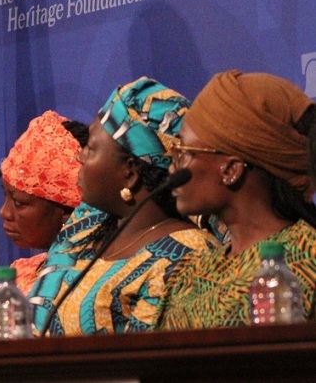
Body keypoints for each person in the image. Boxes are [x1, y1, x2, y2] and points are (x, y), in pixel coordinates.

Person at [27, 77, 219, 336]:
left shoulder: (187, 256)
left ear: (130, 172)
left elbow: (145, 356)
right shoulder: (87, 226)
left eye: (91, 148)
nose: (79, 156)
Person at [157, 70, 316, 329]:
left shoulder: (304, 258)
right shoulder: (191, 272)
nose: (173, 169)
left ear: (231, 170)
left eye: (183, 154)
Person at [0, 111, 86, 342]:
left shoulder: (85, 280)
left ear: (66, 208)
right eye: (6, 196)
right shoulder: (23, 270)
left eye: (19, 203)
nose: (4, 212)